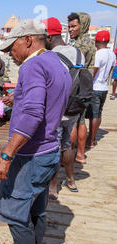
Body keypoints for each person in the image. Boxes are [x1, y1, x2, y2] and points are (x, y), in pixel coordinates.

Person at [0, 19, 72, 244]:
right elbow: (49, 102)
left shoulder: (33, 65)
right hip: (50, 150)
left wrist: (6, 154)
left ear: (28, 41)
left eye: (12, 47)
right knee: (37, 211)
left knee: (15, 214)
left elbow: (35, 114)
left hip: (31, 154)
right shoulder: (57, 61)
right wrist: (19, 97)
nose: (10, 53)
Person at [43, 17, 86, 199]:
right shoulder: (78, 53)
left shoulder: (52, 57)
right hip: (75, 108)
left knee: (54, 147)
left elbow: (52, 86)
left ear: (49, 37)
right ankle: (70, 180)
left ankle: (52, 188)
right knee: (67, 144)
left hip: (59, 110)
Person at [68, 12, 96, 164]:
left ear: (82, 25)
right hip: (86, 87)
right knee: (81, 121)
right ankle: (80, 154)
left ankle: (68, 153)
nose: (70, 30)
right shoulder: (90, 42)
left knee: (72, 121)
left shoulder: (79, 45)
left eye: (74, 26)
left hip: (76, 88)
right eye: (69, 27)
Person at [85, 30, 115, 149]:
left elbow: (94, 71)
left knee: (94, 115)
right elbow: (110, 70)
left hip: (95, 87)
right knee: (98, 113)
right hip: (103, 87)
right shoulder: (112, 54)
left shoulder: (98, 54)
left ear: (96, 41)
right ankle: (93, 137)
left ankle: (90, 140)